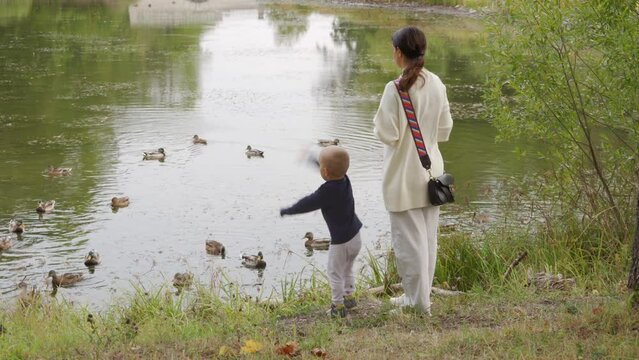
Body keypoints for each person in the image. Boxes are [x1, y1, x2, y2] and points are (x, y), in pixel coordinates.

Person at [373, 26, 453, 314]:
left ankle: (418, 305)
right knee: (428, 240)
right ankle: (418, 297)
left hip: (403, 176)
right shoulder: (436, 83)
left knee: (409, 245)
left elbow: (387, 133)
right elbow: (444, 131)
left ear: (398, 52)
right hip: (432, 173)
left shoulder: (395, 89)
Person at [280, 146, 362, 318]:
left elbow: (307, 203)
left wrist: (288, 210)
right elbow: (331, 167)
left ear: (324, 171)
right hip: (356, 236)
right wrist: (311, 159)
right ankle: (350, 298)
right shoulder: (345, 179)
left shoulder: (327, 191)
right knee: (347, 269)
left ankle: (338, 307)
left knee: (334, 273)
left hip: (341, 242)